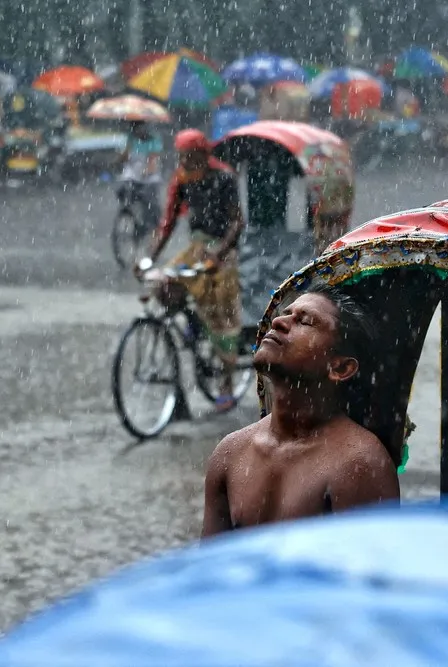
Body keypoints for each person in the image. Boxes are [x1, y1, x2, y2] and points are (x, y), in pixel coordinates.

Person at [201, 286, 400, 536]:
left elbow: (365, 571)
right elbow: (210, 567)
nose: (278, 322)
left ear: (339, 368)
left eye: (305, 321)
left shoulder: (359, 463)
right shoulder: (229, 454)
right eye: (286, 313)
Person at [141, 129, 245, 411]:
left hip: (223, 250)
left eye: (189, 156)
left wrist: (219, 252)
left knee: (220, 313)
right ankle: (194, 325)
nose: (184, 161)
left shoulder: (224, 177)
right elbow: (168, 222)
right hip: (197, 247)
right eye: (181, 156)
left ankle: (226, 381)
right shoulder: (182, 179)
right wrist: (149, 258)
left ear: (202, 154)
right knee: (165, 284)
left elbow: (238, 222)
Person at [119, 120, 163, 229]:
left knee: (150, 201)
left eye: (141, 128)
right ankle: (128, 213)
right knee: (123, 191)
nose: (139, 131)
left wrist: (147, 171)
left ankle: (153, 226)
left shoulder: (154, 140)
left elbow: (153, 161)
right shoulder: (130, 139)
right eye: (136, 128)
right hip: (132, 176)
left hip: (149, 178)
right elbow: (124, 157)